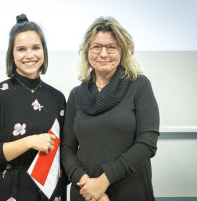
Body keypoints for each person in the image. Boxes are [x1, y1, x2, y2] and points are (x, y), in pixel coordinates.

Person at [61, 16, 159, 201]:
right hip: (86, 192)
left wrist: (103, 181)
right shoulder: (76, 94)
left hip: (131, 191)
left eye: (111, 47)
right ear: (87, 52)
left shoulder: (139, 85)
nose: (103, 54)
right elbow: (67, 148)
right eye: (96, 47)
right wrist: (87, 184)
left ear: (122, 51)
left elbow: (147, 142)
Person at [0, 14, 67, 201]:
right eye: (21, 49)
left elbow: (65, 151)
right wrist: (29, 141)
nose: (29, 55)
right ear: (12, 53)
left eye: (35, 47)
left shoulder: (57, 98)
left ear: (44, 51)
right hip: (11, 191)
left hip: (51, 193)